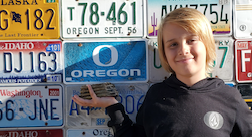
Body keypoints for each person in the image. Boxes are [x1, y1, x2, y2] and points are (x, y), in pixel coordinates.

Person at [72, 7, 252, 137]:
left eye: (191, 40)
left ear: (207, 44)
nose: (183, 50)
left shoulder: (230, 98)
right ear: (164, 53)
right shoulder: (156, 96)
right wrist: (112, 106)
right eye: (173, 44)